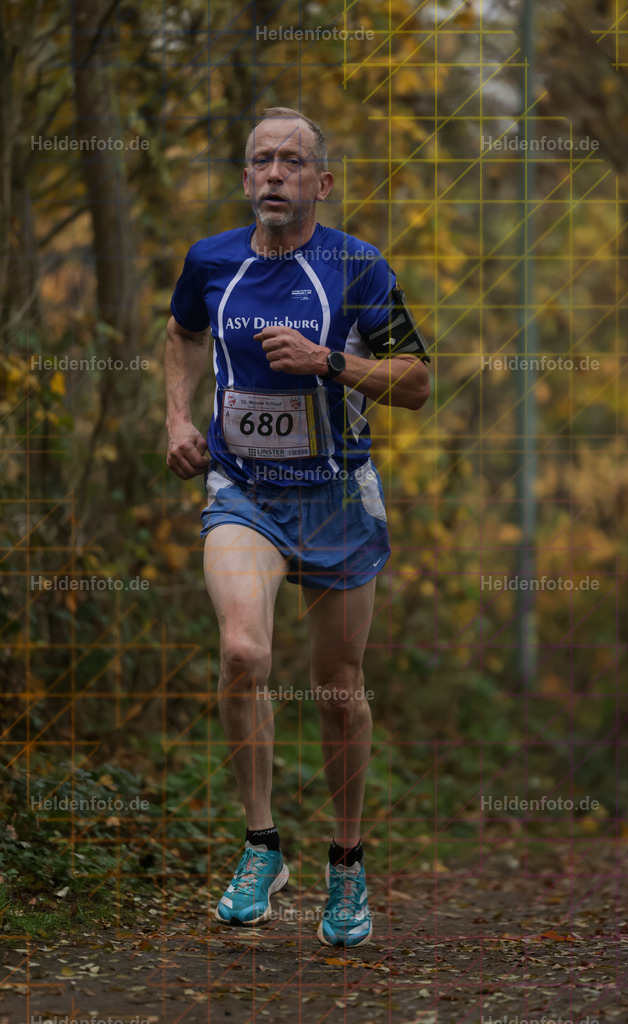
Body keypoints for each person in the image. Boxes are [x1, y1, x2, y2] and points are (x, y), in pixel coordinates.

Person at [165, 107, 430, 947]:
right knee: (244, 653)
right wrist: (176, 418)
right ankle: (261, 845)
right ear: (245, 180)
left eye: (291, 161)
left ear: (321, 181)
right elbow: (181, 334)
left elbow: (417, 380)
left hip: (338, 497)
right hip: (242, 490)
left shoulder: (358, 266)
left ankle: (346, 863)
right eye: (260, 162)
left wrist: (332, 363)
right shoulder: (210, 260)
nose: (273, 174)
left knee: (337, 689)